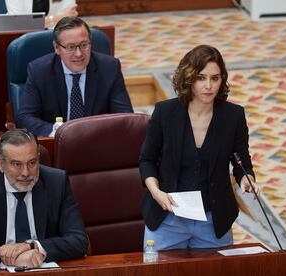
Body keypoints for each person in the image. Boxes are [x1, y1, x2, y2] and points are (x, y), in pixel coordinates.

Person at [139, 45, 261, 250]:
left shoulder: (233, 116)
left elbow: (241, 161)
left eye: (215, 78)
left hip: (212, 222)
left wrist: (246, 179)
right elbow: (147, 160)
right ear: (189, 79)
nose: (209, 86)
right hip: (168, 218)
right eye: (201, 78)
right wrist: (156, 192)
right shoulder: (165, 113)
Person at [0, 128, 88, 268]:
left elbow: (79, 240)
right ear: (1, 164)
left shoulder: (57, 182)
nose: (26, 173)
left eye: (32, 163)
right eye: (16, 164)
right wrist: (4, 257)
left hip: (44, 269)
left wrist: (32, 246)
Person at [17, 16, 133, 136]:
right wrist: (57, 132)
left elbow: (126, 116)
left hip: (97, 142)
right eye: (70, 47)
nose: (78, 54)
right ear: (57, 48)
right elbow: (25, 118)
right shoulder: (39, 71)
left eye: (84, 45)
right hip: (56, 144)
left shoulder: (109, 68)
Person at [5, 0, 78, 28]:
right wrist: (56, 18)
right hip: (20, 38)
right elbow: (18, 24)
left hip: (55, 37)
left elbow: (69, 20)